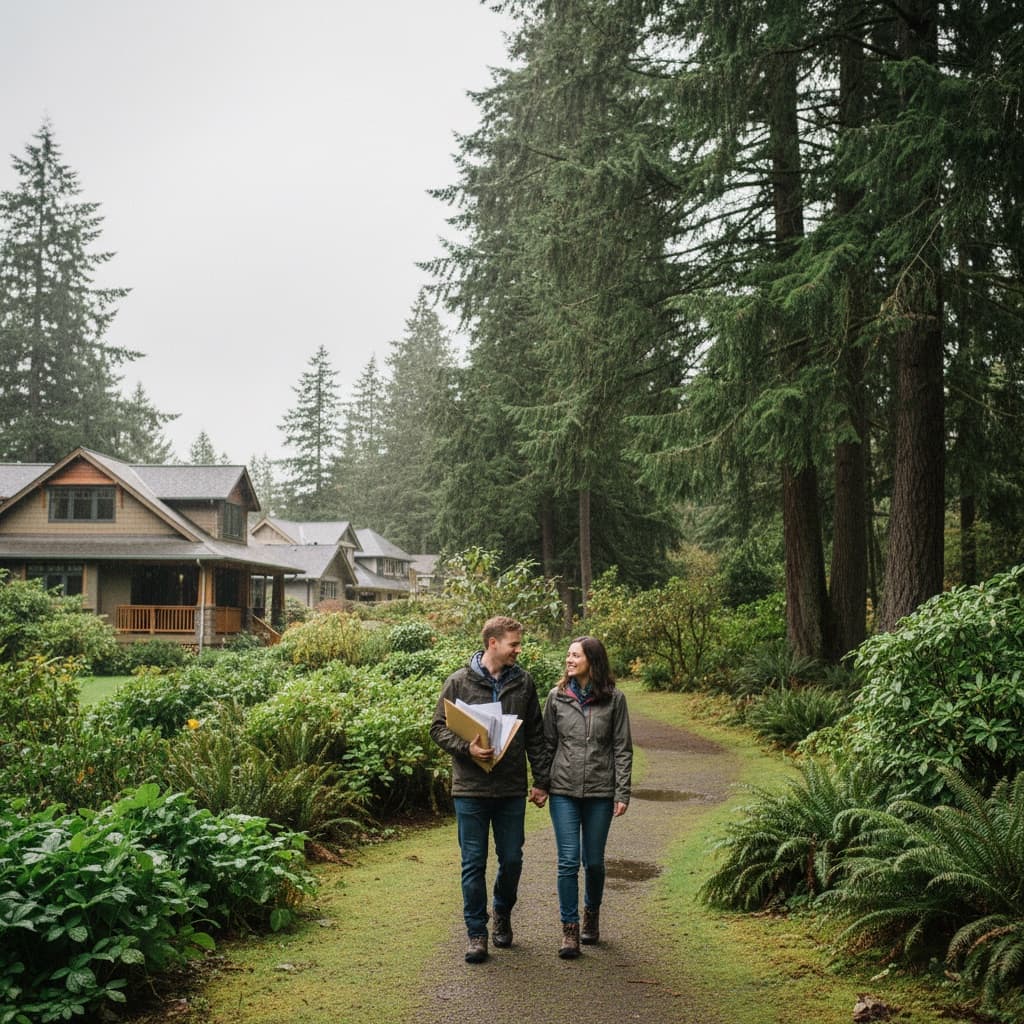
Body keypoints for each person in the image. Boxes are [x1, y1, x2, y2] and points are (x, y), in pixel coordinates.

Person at [430, 615, 550, 964]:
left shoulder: (524, 683)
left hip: (511, 788)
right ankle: (476, 933)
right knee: (473, 863)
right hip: (470, 788)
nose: (518, 650)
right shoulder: (458, 682)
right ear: (493, 643)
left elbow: (535, 735)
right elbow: (438, 728)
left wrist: (541, 781)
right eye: (514, 644)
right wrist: (466, 748)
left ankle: (502, 912)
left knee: (512, 859)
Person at [543, 635, 632, 958]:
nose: (569, 660)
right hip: (563, 790)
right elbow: (547, 745)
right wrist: (541, 783)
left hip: (600, 791)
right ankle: (570, 930)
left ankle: (591, 914)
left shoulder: (614, 699)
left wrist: (622, 791)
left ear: (592, 661)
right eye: (568, 655)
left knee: (593, 861)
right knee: (568, 861)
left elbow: (622, 748)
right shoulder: (556, 697)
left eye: (576, 655)